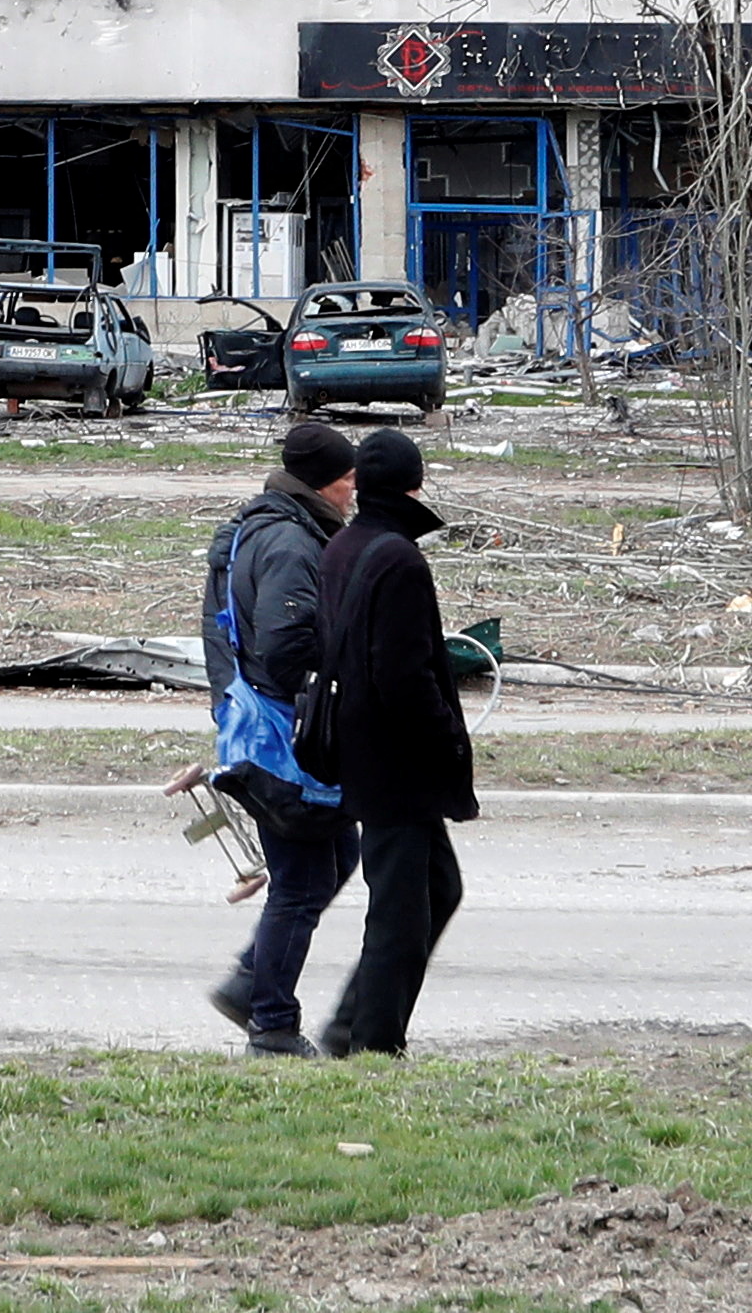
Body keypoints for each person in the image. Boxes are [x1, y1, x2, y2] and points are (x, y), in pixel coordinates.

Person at [310, 424, 473, 1056]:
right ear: (413, 485)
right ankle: (372, 1042)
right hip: (397, 764)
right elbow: (402, 677)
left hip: (364, 754)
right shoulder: (399, 559)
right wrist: (447, 743)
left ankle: (353, 1025)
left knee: (437, 889)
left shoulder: (343, 546)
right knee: (400, 914)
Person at [197, 414, 357, 1057]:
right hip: (282, 735)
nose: (354, 492)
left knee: (336, 858)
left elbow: (218, 627)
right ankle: (270, 1024)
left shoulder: (251, 528)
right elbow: (287, 643)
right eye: (348, 481)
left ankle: (248, 983)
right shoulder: (291, 544)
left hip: (253, 720)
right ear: (320, 485)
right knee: (301, 880)